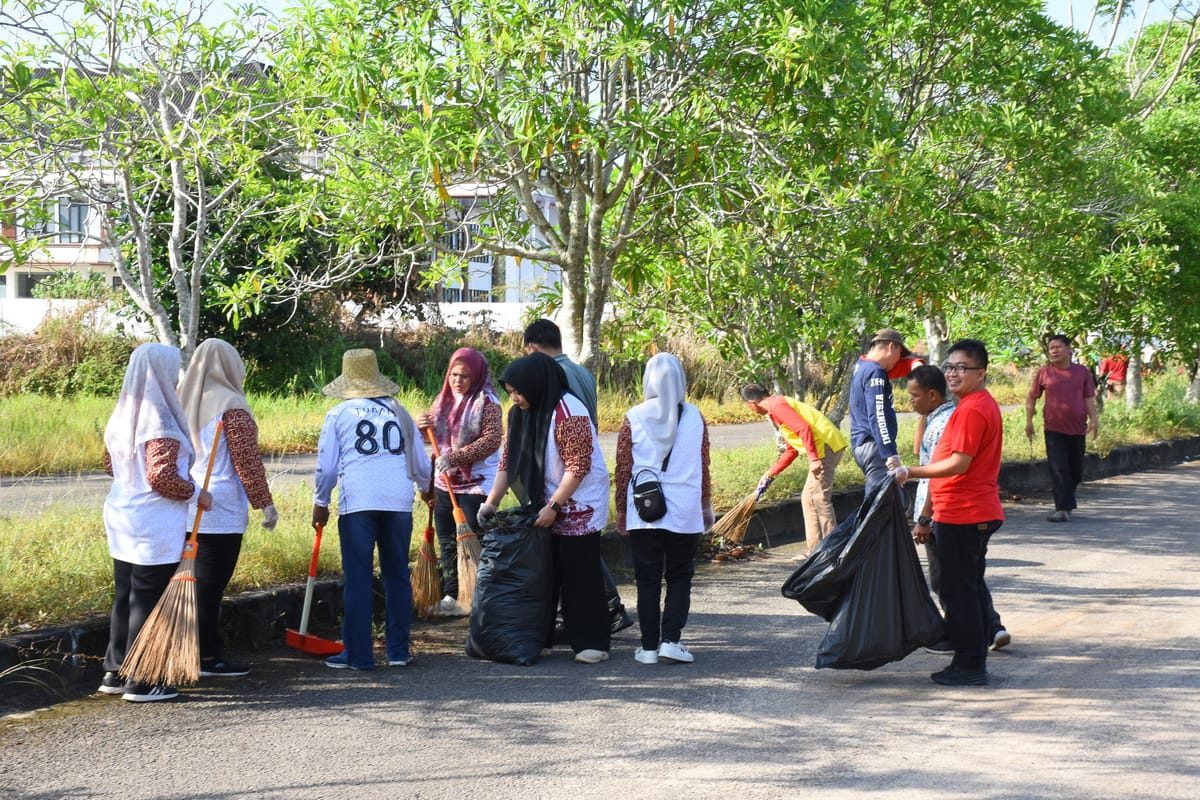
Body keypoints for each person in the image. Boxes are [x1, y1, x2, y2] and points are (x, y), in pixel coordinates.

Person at [478, 352, 612, 664]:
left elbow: (579, 465)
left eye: (518, 392)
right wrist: (491, 502)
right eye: (510, 392)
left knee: (579, 574)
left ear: (536, 385)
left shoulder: (570, 410)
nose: (515, 398)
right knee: (542, 574)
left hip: (580, 502)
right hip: (545, 500)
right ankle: (541, 638)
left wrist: (555, 505)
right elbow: (508, 460)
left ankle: (591, 642)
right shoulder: (520, 412)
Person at [98, 342, 213, 703]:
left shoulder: (123, 416)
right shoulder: (161, 420)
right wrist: (196, 493)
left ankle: (115, 671)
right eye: (173, 369)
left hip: (122, 513)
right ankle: (142, 680)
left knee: (126, 593)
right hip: (153, 520)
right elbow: (162, 477)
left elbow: (109, 465)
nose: (177, 376)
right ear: (162, 372)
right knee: (147, 594)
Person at [891, 340, 1004, 686]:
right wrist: (927, 512)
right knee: (964, 588)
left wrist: (909, 471)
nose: (954, 373)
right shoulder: (971, 404)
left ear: (981, 373)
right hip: (962, 510)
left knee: (959, 592)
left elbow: (958, 463)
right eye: (950, 367)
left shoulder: (972, 409)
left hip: (966, 512)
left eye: (963, 368)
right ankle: (972, 655)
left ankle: (970, 665)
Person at [312, 349, 432, 670]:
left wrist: (320, 502)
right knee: (396, 575)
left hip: (358, 504)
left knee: (359, 579)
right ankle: (398, 651)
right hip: (398, 502)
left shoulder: (340, 414)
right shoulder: (400, 412)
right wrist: (425, 490)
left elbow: (326, 470)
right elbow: (421, 462)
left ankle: (359, 655)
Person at [522, 318, 632, 634]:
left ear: (531, 348)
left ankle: (607, 611)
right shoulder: (582, 371)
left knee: (579, 554)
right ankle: (600, 612)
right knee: (582, 552)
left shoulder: (554, 377)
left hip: (571, 471)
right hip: (581, 465)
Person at [178, 338, 278, 678]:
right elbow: (246, 462)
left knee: (190, 584)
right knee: (209, 587)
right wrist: (265, 504)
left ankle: (186, 652)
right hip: (220, 510)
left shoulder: (181, 400)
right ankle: (207, 658)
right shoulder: (232, 406)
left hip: (184, 505)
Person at [615, 354, 713, 665]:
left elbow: (623, 469)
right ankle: (672, 641)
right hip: (685, 510)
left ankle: (647, 649)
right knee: (680, 576)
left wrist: (621, 510)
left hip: (645, 511)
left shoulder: (634, 416)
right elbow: (704, 466)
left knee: (646, 579)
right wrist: (706, 506)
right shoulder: (695, 416)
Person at [906, 365, 1009, 654]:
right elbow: (924, 453)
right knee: (967, 579)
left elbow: (944, 471)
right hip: (960, 509)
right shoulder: (955, 413)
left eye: (914, 396)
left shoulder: (959, 416)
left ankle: (967, 644)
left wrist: (925, 516)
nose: (911, 402)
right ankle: (990, 630)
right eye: (949, 367)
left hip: (952, 510)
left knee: (950, 582)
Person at [415, 347, 503, 616]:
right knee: (446, 541)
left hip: (477, 482)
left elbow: (491, 440)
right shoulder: (442, 401)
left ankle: (479, 595)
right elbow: (436, 443)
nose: (457, 381)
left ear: (476, 375)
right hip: (445, 482)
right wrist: (421, 428)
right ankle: (453, 594)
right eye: (453, 375)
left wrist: (457, 457)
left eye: (464, 376)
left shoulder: (487, 402)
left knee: (474, 538)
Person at [740, 382, 848, 560]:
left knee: (818, 498)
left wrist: (813, 459)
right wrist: (770, 473)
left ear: (751, 403)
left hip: (826, 448)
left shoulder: (777, 406)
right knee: (810, 498)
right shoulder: (777, 408)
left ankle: (832, 549)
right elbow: (792, 449)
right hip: (825, 447)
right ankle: (817, 551)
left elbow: (804, 429)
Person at [1025, 335, 1099, 522]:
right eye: (1051, 348)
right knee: (1058, 468)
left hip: (1077, 429)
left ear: (1069, 350)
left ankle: (1066, 501)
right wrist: (1029, 421)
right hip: (1054, 429)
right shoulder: (1045, 372)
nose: (1054, 351)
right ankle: (1062, 509)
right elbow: (1032, 397)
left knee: (1076, 471)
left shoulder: (1082, 372)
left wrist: (1094, 420)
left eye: (1058, 347)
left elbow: (1089, 398)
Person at [849, 328, 911, 495]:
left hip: (862, 444)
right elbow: (878, 414)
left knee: (884, 503)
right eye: (899, 354)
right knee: (880, 507)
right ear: (892, 347)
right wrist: (889, 452)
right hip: (873, 446)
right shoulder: (875, 371)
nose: (898, 360)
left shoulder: (861, 365)